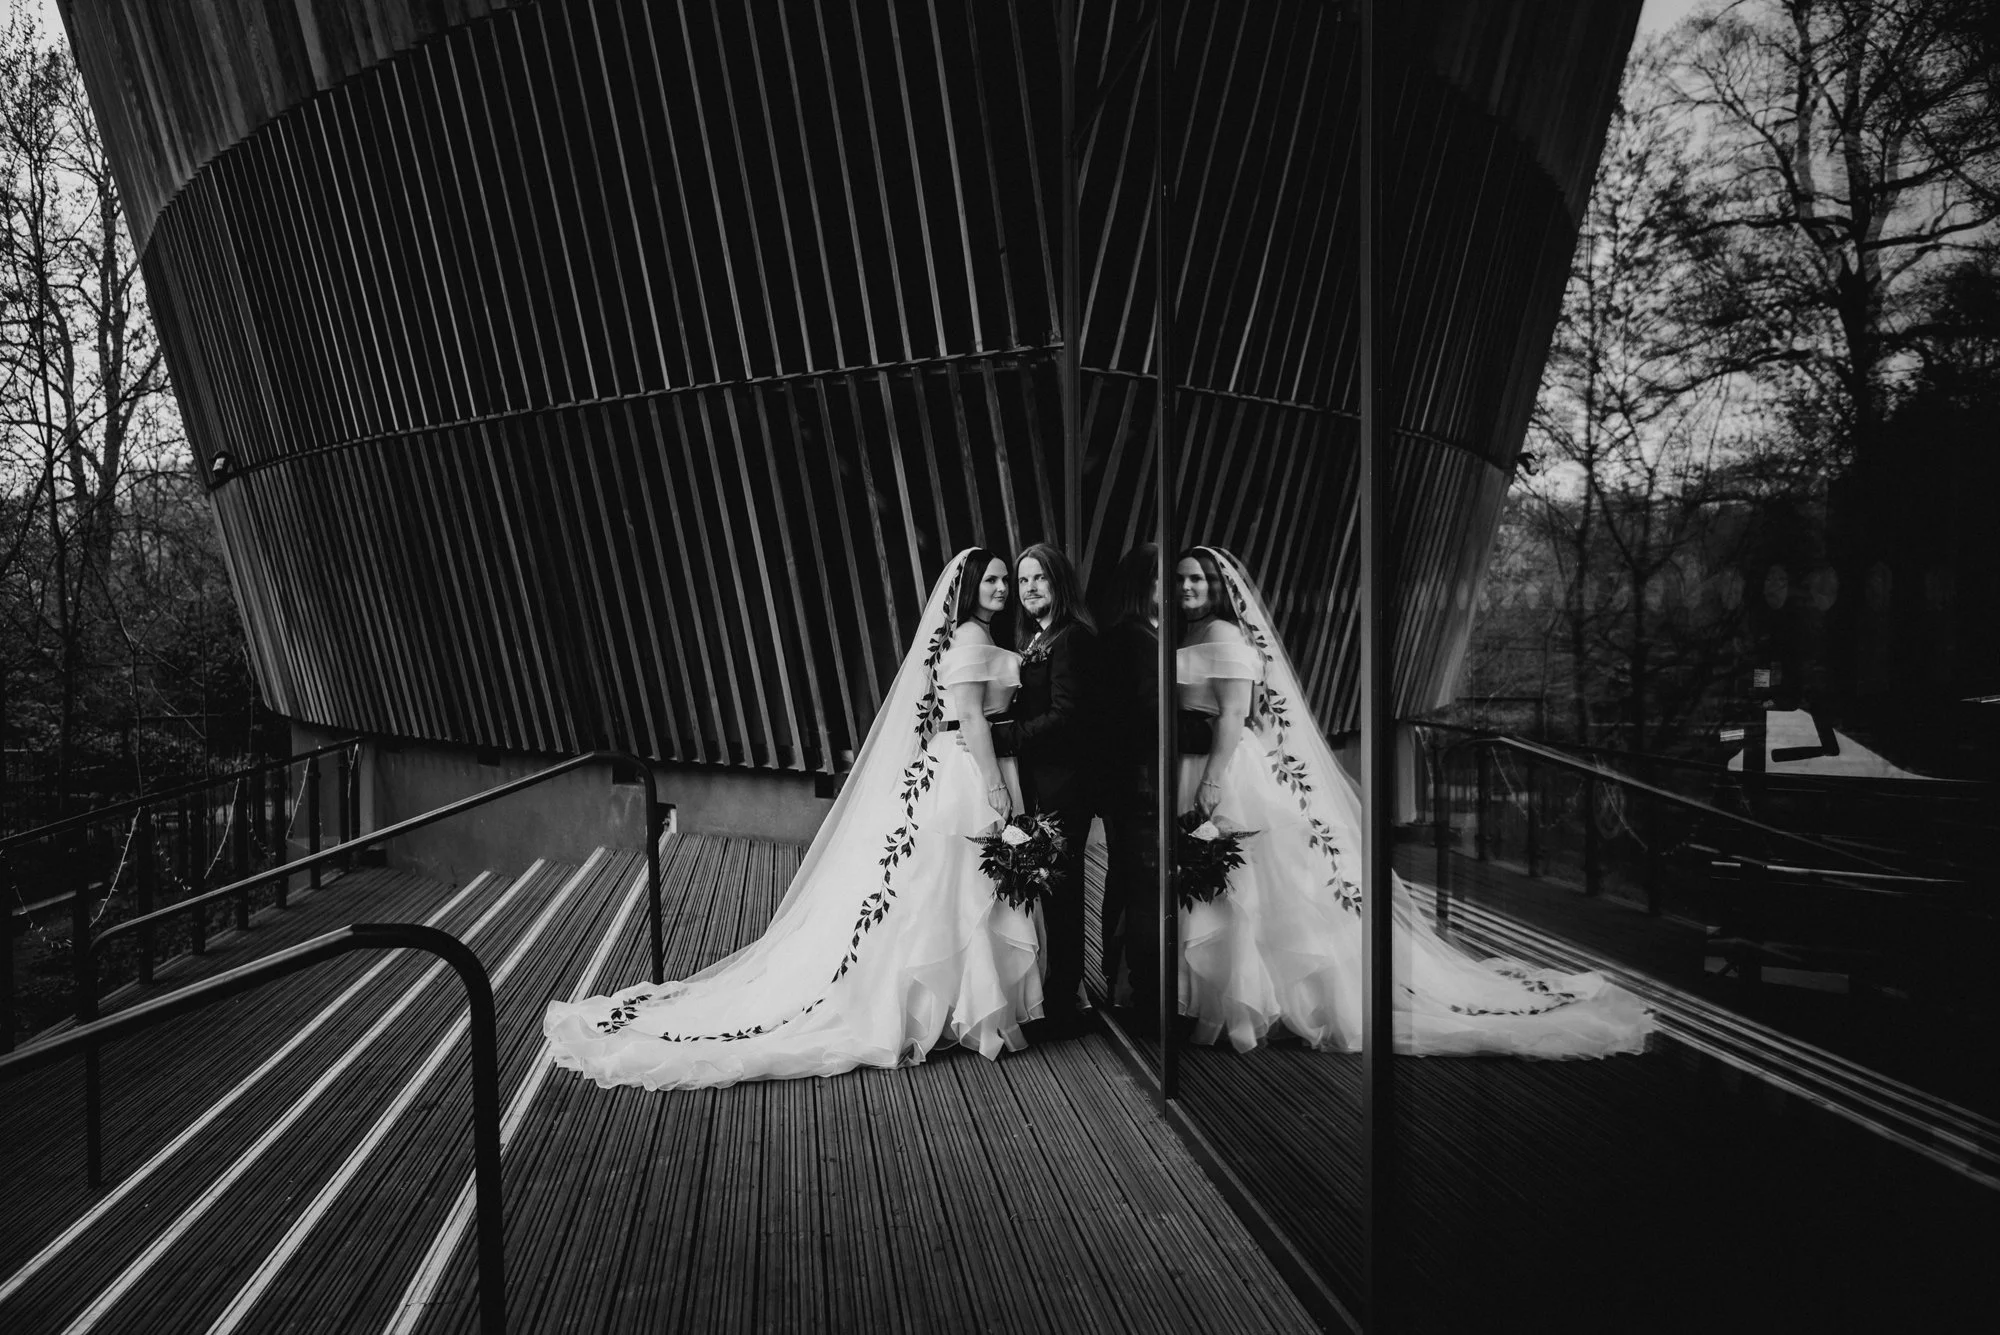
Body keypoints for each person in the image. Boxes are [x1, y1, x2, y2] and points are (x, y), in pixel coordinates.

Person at [543, 549, 1044, 1089]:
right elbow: (969, 715)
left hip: (955, 763)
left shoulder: (966, 635)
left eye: (1003, 580)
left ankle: (951, 1003)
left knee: (948, 891)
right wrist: (994, 783)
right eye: (990, 580)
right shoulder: (970, 637)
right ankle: (950, 1007)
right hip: (967, 768)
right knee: (955, 890)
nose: (1000, 588)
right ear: (967, 587)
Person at [1172, 546, 1656, 1057]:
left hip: (1223, 767)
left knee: (1243, 890)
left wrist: (1211, 781)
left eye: (1197, 580)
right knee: (1231, 890)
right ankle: (1219, 1001)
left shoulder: (1223, 635)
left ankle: (1250, 1005)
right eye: (1180, 579)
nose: (1186, 588)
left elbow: (1232, 715)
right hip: (1199, 761)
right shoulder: (1192, 633)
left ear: (1218, 587)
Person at [989, 543, 1097, 1034]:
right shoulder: (1038, 637)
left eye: (1040, 579)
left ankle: (1064, 1005)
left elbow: (1067, 716)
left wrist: (1005, 737)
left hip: (1065, 786)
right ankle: (1057, 992)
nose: (1029, 588)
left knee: (1063, 892)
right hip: (1041, 782)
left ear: (1059, 584)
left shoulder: (1072, 638)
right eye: (1023, 579)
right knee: (1048, 890)